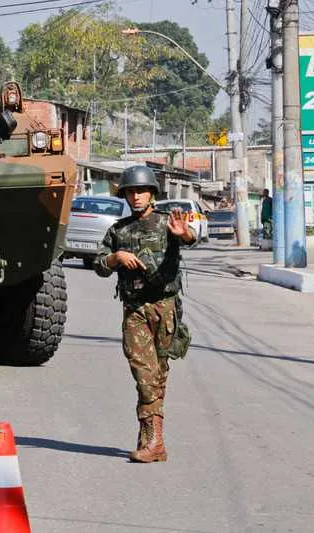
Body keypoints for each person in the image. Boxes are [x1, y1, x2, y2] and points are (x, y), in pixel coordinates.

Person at [93, 165, 196, 463]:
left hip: (164, 308)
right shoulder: (118, 229)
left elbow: (190, 238)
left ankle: (151, 440)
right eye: (130, 191)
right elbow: (100, 264)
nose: (136, 196)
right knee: (143, 372)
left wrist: (184, 233)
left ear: (152, 193)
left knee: (158, 374)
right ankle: (155, 442)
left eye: (141, 190)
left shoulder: (167, 223)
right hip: (135, 309)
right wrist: (115, 257)